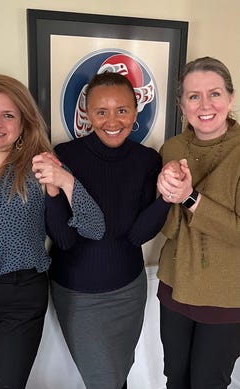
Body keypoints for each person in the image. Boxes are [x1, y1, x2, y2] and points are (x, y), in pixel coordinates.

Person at [0, 73, 105, 389]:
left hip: (20, 296)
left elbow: (94, 228)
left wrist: (66, 181)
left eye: (8, 114)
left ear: (23, 123)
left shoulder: (39, 169)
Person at [32, 71, 172, 389]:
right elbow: (64, 239)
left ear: (136, 112)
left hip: (128, 289)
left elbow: (137, 235)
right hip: (77, 293)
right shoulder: (65, 156)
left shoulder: (147, 160)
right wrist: (55, 190)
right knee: (105, 380)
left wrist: (167, 199)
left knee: (118, 374)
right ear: (88, 114)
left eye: (122, 110)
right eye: (101, 111)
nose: (112, 120)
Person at [156, 56, 240, 389]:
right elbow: (170, 229)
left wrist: (191, 198)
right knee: (175, 379)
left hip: (227, 296)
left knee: (208, 383)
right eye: (194, 96)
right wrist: (165, 195)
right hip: (176, 287)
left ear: (230, 98)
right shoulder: (171, 148)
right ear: (182, 105)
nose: (205, 105)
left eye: (215, 93)